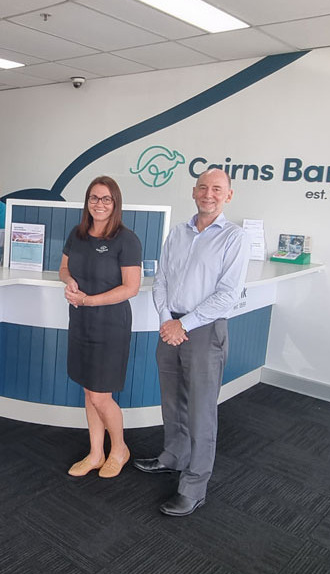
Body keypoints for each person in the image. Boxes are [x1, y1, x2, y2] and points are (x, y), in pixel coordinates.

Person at [133, 169, 250, 517]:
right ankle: (173, 457)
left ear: (229, 195)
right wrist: (167, 320)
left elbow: (227, 296)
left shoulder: (234, 237)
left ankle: (195, 485)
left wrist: (182, 324)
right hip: (171, 325)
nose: (208, 194)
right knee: (172, 401)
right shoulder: (178, 233)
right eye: (203, 187)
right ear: (194, 192)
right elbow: (161, 280)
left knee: (201, 411)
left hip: (204, 330)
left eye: (217, 189)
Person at [59, 176, 142, 479]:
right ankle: (96, 453)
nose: (99, 204)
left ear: (115, 203)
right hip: (80, 321)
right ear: (87, 202)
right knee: (88, 389)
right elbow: (64, 268)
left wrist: (90, 300)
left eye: (106, 199)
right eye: (94, 198)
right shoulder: (77, 234)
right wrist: (69, 283)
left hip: (110, 325)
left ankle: (119, 448)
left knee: (100, 396)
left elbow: (131, 287)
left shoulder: (126, 239)